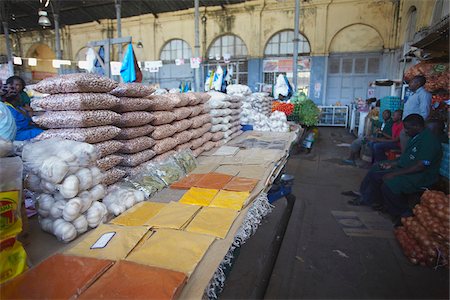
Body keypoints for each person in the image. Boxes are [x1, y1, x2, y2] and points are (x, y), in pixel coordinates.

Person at [346, 114, 442, 222]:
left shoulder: (429, 141)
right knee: (376, 168)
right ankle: (369, 198)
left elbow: (420, 166)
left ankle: (402, 214)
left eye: (407, 128)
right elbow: (407, 158)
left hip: (421, 176)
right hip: (406, 168)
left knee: (389, 183)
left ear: (417, 127)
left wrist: (395, 173)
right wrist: (392, 164)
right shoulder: (417, 137)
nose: (405, 131)